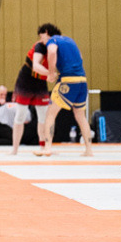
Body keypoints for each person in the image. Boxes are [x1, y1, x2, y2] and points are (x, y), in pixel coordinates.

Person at [37, 28, 94, 157]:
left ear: (47, 33)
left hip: (68, 80)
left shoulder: (53, 40)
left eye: (42, 37)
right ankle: (89, 150)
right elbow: (80, 56)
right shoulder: (70, 40)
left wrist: (51, 73)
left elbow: (51, 52)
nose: (42, 41)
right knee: (80, 115)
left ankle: (47, 147)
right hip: (82, 80)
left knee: (50, 113)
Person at [8, 25, 55, 155]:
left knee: (43, 116)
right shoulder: (40, 46)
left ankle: (44, 147)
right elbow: (36, 66)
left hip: (40, 82)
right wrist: (50, 74)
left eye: (42, 35)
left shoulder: (55, 46)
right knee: (20, 114)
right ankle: (14, 149)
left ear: (48, 34)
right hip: (26, 81)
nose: (40, 38)